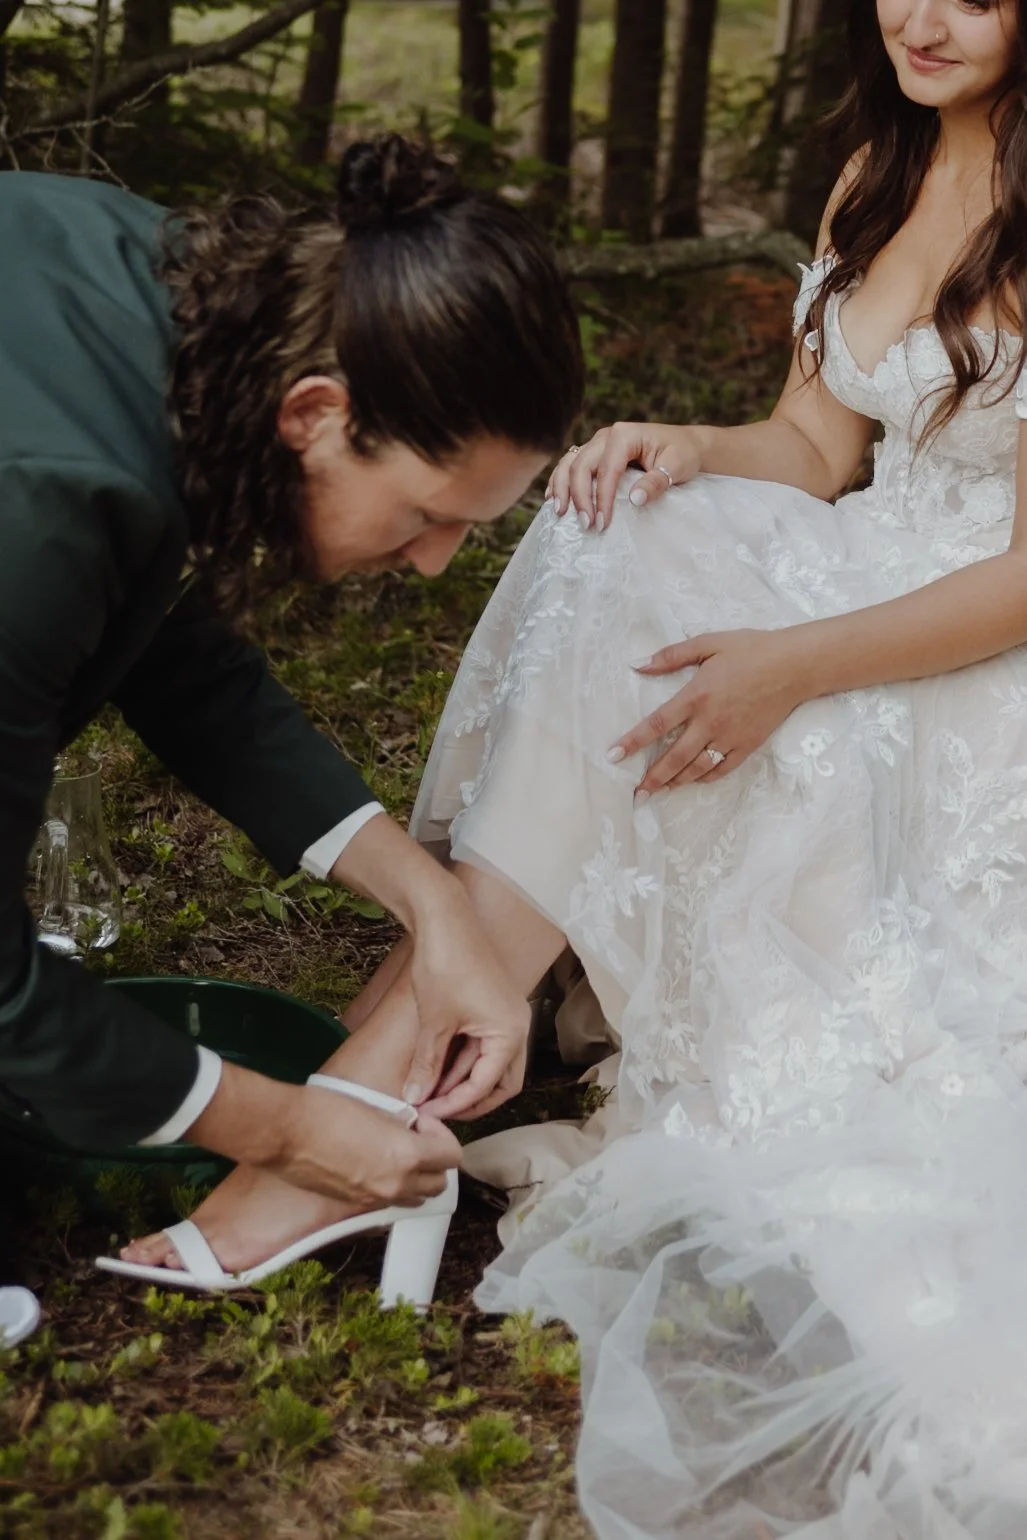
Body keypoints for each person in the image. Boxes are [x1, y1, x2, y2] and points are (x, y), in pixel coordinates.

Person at [123, 0, 1027, 1532]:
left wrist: (785, 665)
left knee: (708, 661)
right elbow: (812, 449)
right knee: (621, 525)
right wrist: (679, 442)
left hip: (968, 652)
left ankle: (347, 1110)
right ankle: (428, 1019)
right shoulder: (875, 161)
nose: (919, 17)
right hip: (850, 567)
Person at [0, 138, 584, 1239]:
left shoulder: (193, 312)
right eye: (426, 514)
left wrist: (433, 903)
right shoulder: (45, 511)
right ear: (315, 414)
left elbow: (183, 658)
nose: (432, 562)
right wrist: (291, 1132)